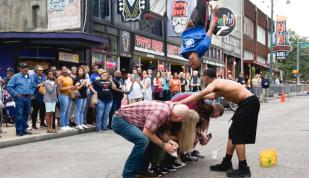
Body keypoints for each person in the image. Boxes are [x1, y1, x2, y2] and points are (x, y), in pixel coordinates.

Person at [180, 68, 260, 177]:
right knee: (232, 132)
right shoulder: (218, 87)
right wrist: (189, 96)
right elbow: (206, 95)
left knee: (237, 135)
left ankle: (244, 168)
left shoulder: (216, 82)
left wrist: (178, 102)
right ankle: (227, 163)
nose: (202, 79)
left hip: (249, 103)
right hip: (246, 104)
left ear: (206, 77)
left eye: (203, 77)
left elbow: (200, 94)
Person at [112, 100, 197, 178]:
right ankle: (128, 174)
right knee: (143, 140)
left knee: (153, 141)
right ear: (178, 118)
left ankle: (141, 170)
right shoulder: (162, 112)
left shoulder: (171, 108)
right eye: (183, 120)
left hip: (129, 120)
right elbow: (147, 132)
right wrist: (164, 145)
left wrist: (168, 141)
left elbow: (156, 130)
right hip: (120, 120)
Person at [180, 0, 218, 69]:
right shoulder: (203, 47)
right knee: (201, 2)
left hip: (191, 23)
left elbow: (183, 37)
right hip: (201, 22)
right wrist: (214, 14)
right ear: (199, 60)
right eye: (194, 63)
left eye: (191, 64)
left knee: (198, 5)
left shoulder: (184, 53)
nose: (191, 62)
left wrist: (186, 26)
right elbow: (211, 29)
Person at [7, 63, 36, 136]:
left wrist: (31, 92)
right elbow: (9, 86)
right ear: (20, 69)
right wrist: (16, 94)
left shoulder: (31, 77)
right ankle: (19, 130)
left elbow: (34, 86)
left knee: (26, 114)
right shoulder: (16, 77)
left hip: (28, 97)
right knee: (19, 114)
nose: (26, 69)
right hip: (20, 98)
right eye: (23, 68)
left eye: (26, 67)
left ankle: (24, 129)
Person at [58, 66, 75, 131]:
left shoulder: (70, 78)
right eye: (64, 69)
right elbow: (60, 89)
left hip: (69, 95)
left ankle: (67, 124)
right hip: (63, 95)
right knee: (64, 110)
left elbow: (71, 86)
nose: (65, 71)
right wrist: (69, 88)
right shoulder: (60, 78)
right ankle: (63, 125)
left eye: (66, 69)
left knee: (68, 111)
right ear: (61, 71)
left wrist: (73, 88)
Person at [31, 65, 46, 129]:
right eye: (40, 70)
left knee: (43, 110)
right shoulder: (32, 77)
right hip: (35, 95)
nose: (41, 71)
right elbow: (33, 85)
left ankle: (42, 123)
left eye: (42, 70)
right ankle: (33, 124)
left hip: (43, 95)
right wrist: (41, 84)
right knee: (35, 111)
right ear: (36, 70)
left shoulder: (44, 76)